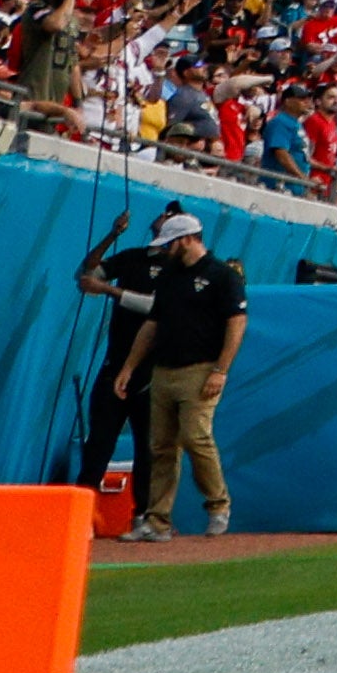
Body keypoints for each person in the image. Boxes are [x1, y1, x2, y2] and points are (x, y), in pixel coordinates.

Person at [83, 204, 248, 540]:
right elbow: (152, 324)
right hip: (164, 369)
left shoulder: (221, 276)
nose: (165, 249)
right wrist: (129, 366)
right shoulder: (171, 277)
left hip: (200, 369)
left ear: (187, 240)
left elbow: (236, 323)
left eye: (170, 243)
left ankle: (218, 503)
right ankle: (156, 520)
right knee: (160, 446)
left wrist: (221, 369)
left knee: (195, 437)